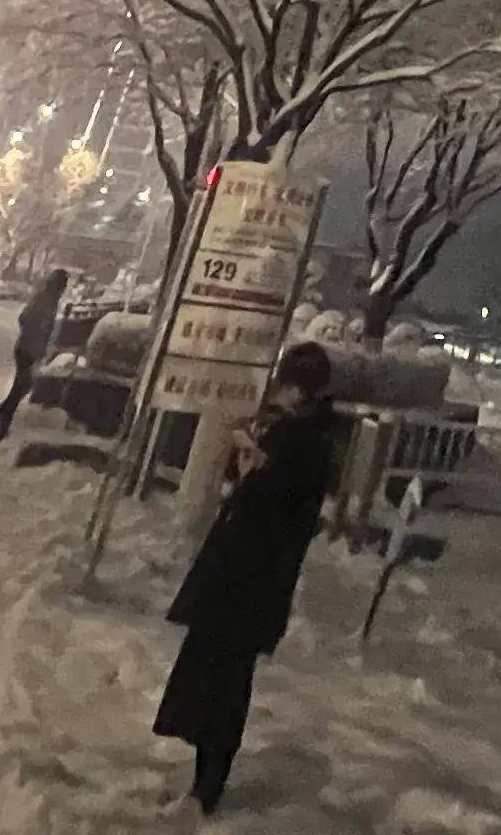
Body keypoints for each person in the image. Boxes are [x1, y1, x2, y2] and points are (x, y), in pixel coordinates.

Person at [153, 342, 343, 812]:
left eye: (286, 384)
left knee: (224, 680)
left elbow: (283, 512)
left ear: (300, 389)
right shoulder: (297, 433)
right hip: (243, 578)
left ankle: (208, 786)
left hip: (249, 582)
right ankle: (203, 779)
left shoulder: (306, 442)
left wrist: (257, 471)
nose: (278, 391)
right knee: (214, 675)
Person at [0, 267, 71, 445]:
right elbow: (26, 319)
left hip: (27, 348)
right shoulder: (45, 300)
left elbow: (25, 318)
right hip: (28, 350)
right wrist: (35, 335)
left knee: (20, 389)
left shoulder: (44, 298)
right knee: (20, 389)